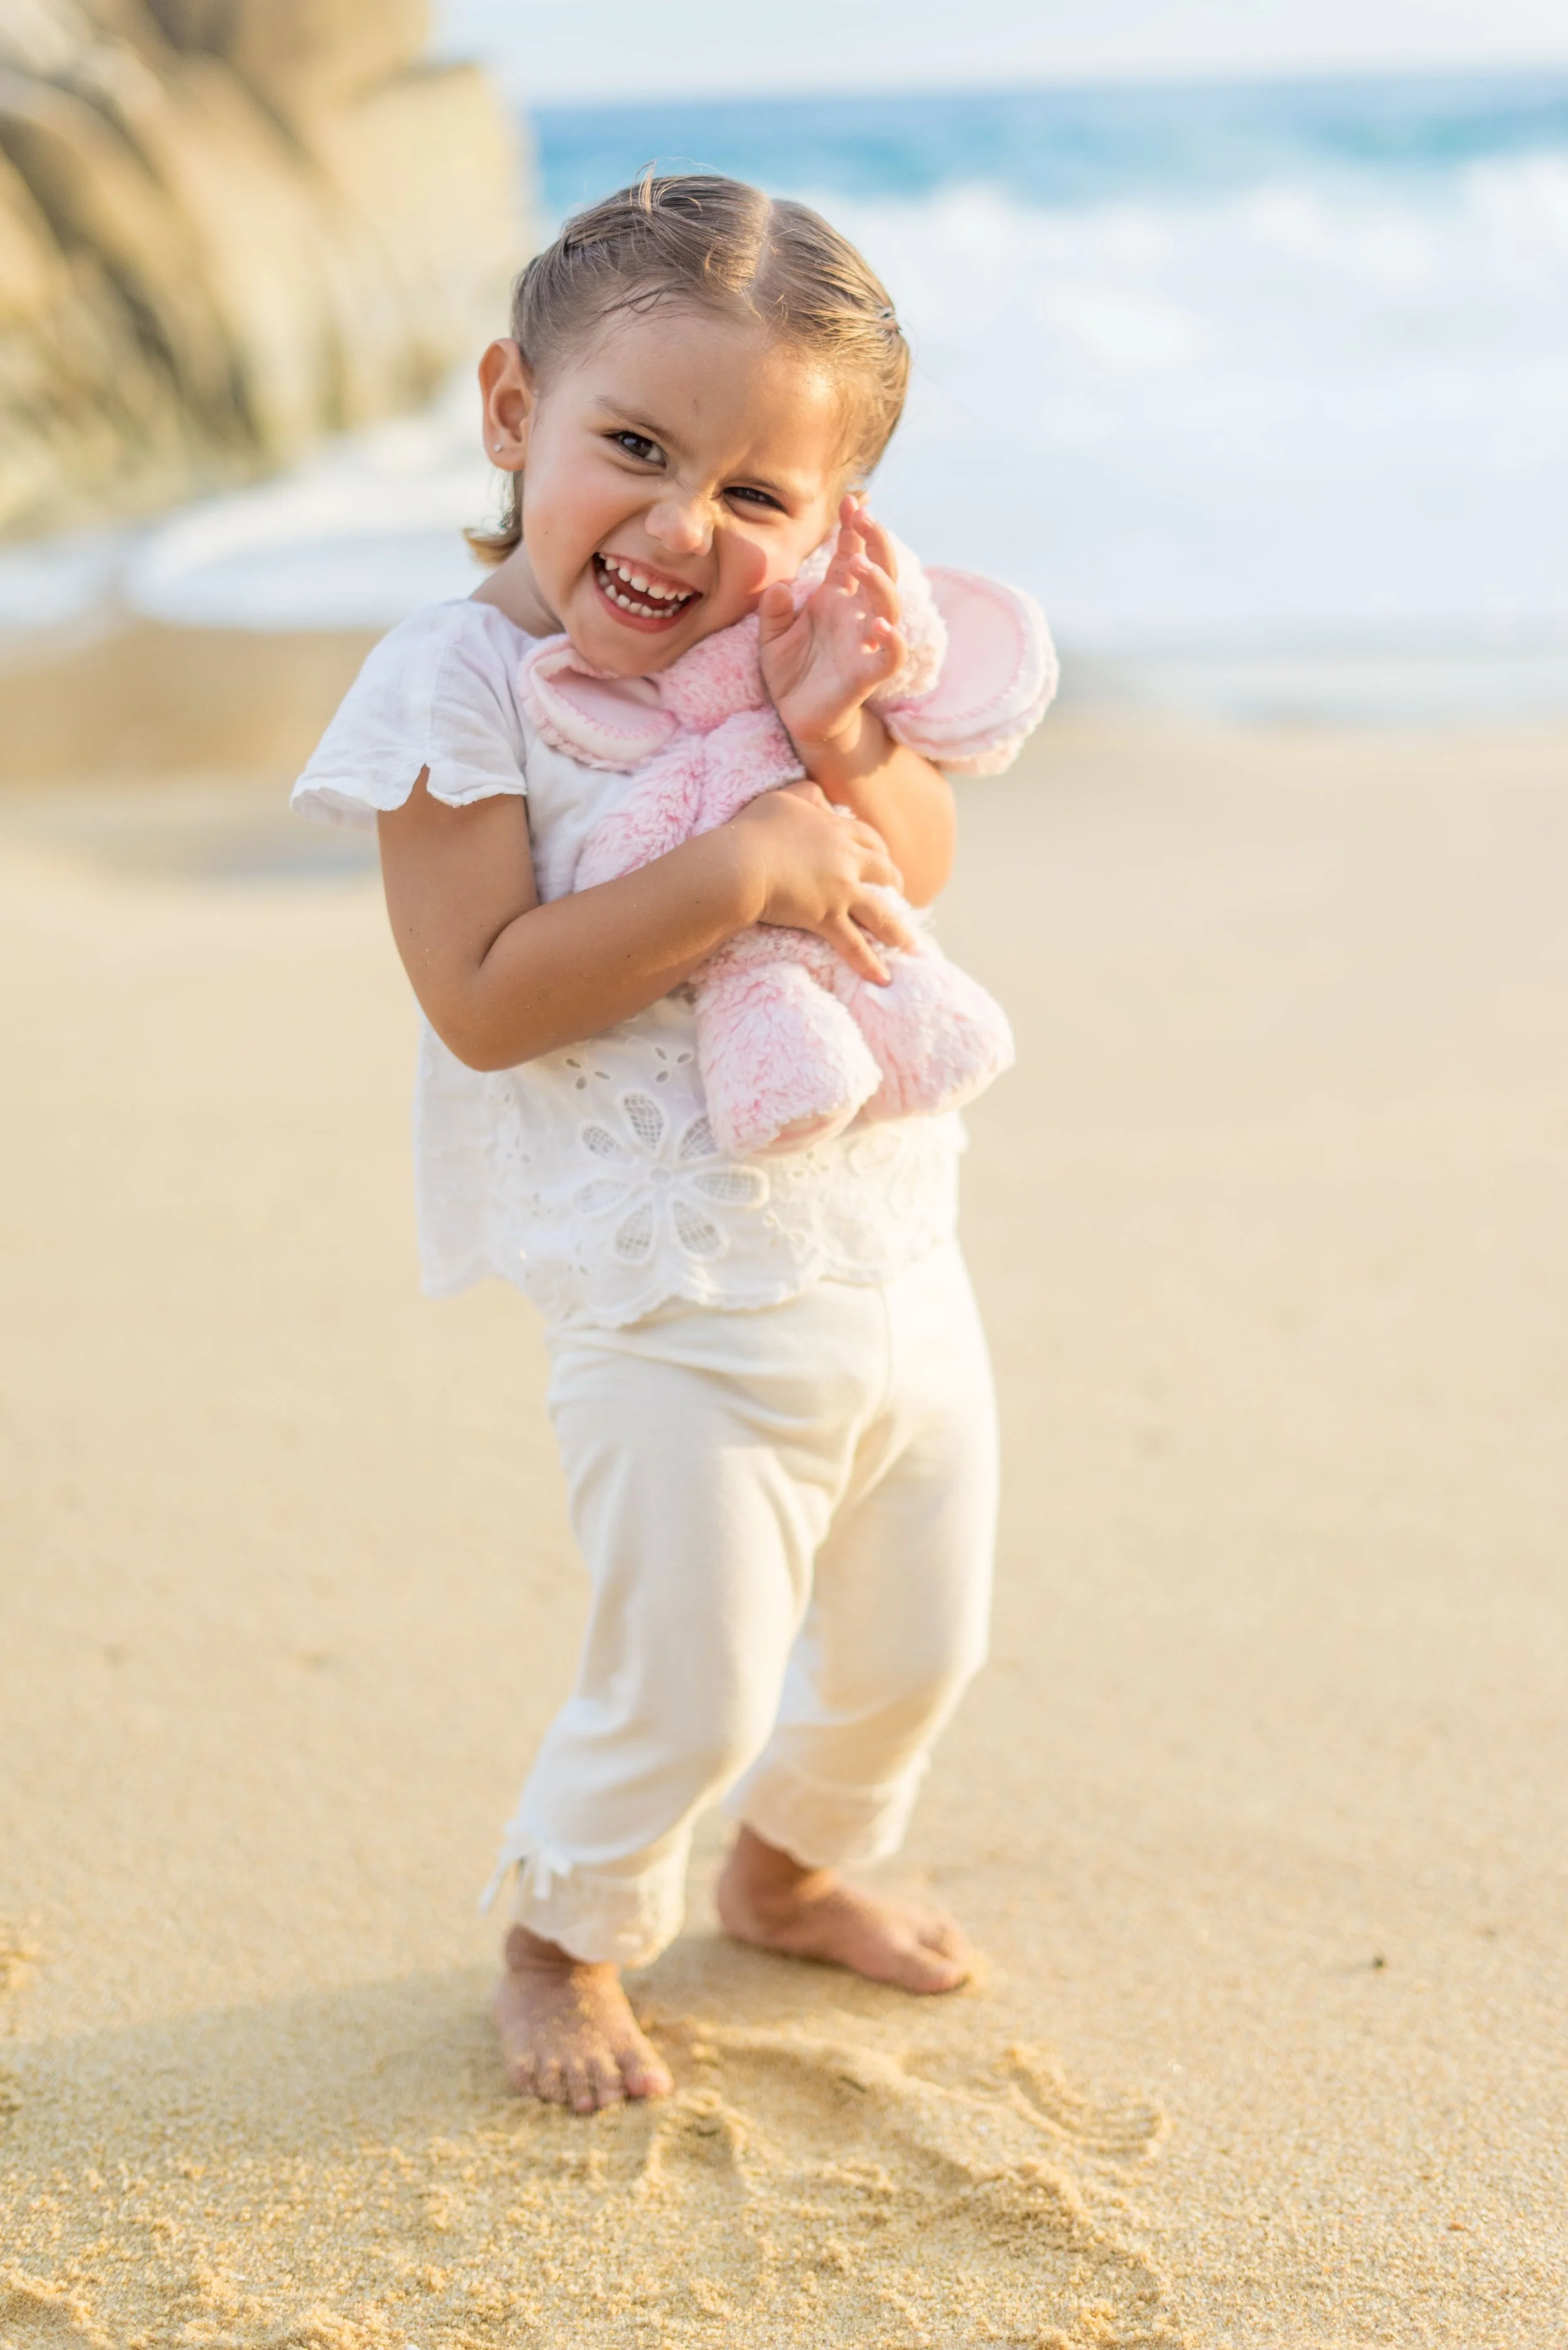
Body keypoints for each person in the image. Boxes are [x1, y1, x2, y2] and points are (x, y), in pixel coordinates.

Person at [292, 173, 1054, 2117]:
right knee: (693, 1674)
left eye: (755, 493)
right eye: (633, 446)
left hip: (887, 1242)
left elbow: (915, 872)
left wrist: (847, 739)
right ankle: (564, 1927)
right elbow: (480, 994)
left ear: (828, 521)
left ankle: (790, 1867)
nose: (680, 527)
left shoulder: (781, 651)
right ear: (509, 410)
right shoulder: (453, 684)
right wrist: (738, 868)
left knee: (919, 1643)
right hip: (658, 1287)